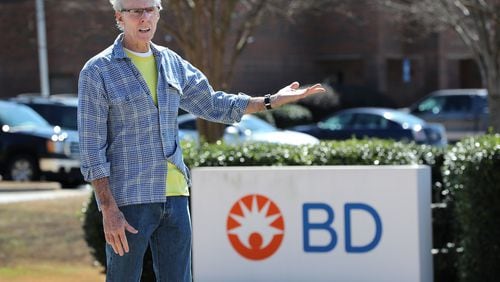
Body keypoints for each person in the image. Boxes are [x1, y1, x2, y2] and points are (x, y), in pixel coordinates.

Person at [77, 0, 325, 281]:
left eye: (151, 10)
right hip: (130, 199)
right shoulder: (97, 71)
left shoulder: (171, 63)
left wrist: (270, 101)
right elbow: (91, 147)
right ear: (119, 17)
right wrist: (108, 208)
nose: (144, 17)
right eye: (136, 11)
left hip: (176, 197)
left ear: (158, 13)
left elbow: (213, 103)